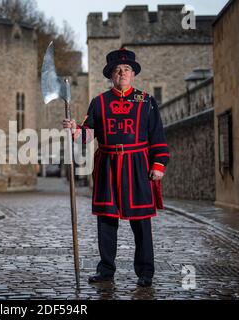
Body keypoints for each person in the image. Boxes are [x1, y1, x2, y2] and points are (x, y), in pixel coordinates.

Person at [63, 48, 170, 287]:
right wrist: (74, 130)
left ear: (133, 74)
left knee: (141, 222)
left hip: (138, 166)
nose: (122, 73)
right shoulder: (99, 102)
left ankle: (145, 272)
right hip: (108, 166)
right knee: (106, 220)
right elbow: (87, 135)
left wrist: (159, 163)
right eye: (117, 70)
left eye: (126, 69)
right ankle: (106, 270)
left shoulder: (146, 101)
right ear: (111, 75)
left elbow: (158, 136)